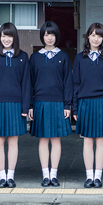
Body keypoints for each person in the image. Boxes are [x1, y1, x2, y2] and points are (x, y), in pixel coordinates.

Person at [0, 22, 31, 188]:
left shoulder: (23, 57)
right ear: (0, 37)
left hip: (16, 104)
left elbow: (26, 83)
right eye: (3, 36)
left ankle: (10, 176)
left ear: (15, 37)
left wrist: (26, 106)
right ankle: (1, 176)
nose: (6, 39)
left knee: (13, 142)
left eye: (9, 36)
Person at [29, 21, 73, 187]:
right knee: (43, 139)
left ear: (57, 36)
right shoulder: (35, 57)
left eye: (52, 34)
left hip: (58, 102)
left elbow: (68, 82)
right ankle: (45, 175)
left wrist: (67, 105)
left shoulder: (63, 57)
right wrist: (30, 105)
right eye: (46, 34)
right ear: (42, 36)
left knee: (55, 139)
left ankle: (53, 175)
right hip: (39, 102)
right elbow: (29, 83)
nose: (49, 38)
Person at [73, 23, 103, 188]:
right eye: (93, 35)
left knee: (101, 140)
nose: (96, 38)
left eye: (99, 35)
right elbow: (75, 84)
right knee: (88, 140)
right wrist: (75, 107)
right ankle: (89, 176)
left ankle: (98, 176)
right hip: (84, 102)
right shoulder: (79, 58)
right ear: (87, 37)